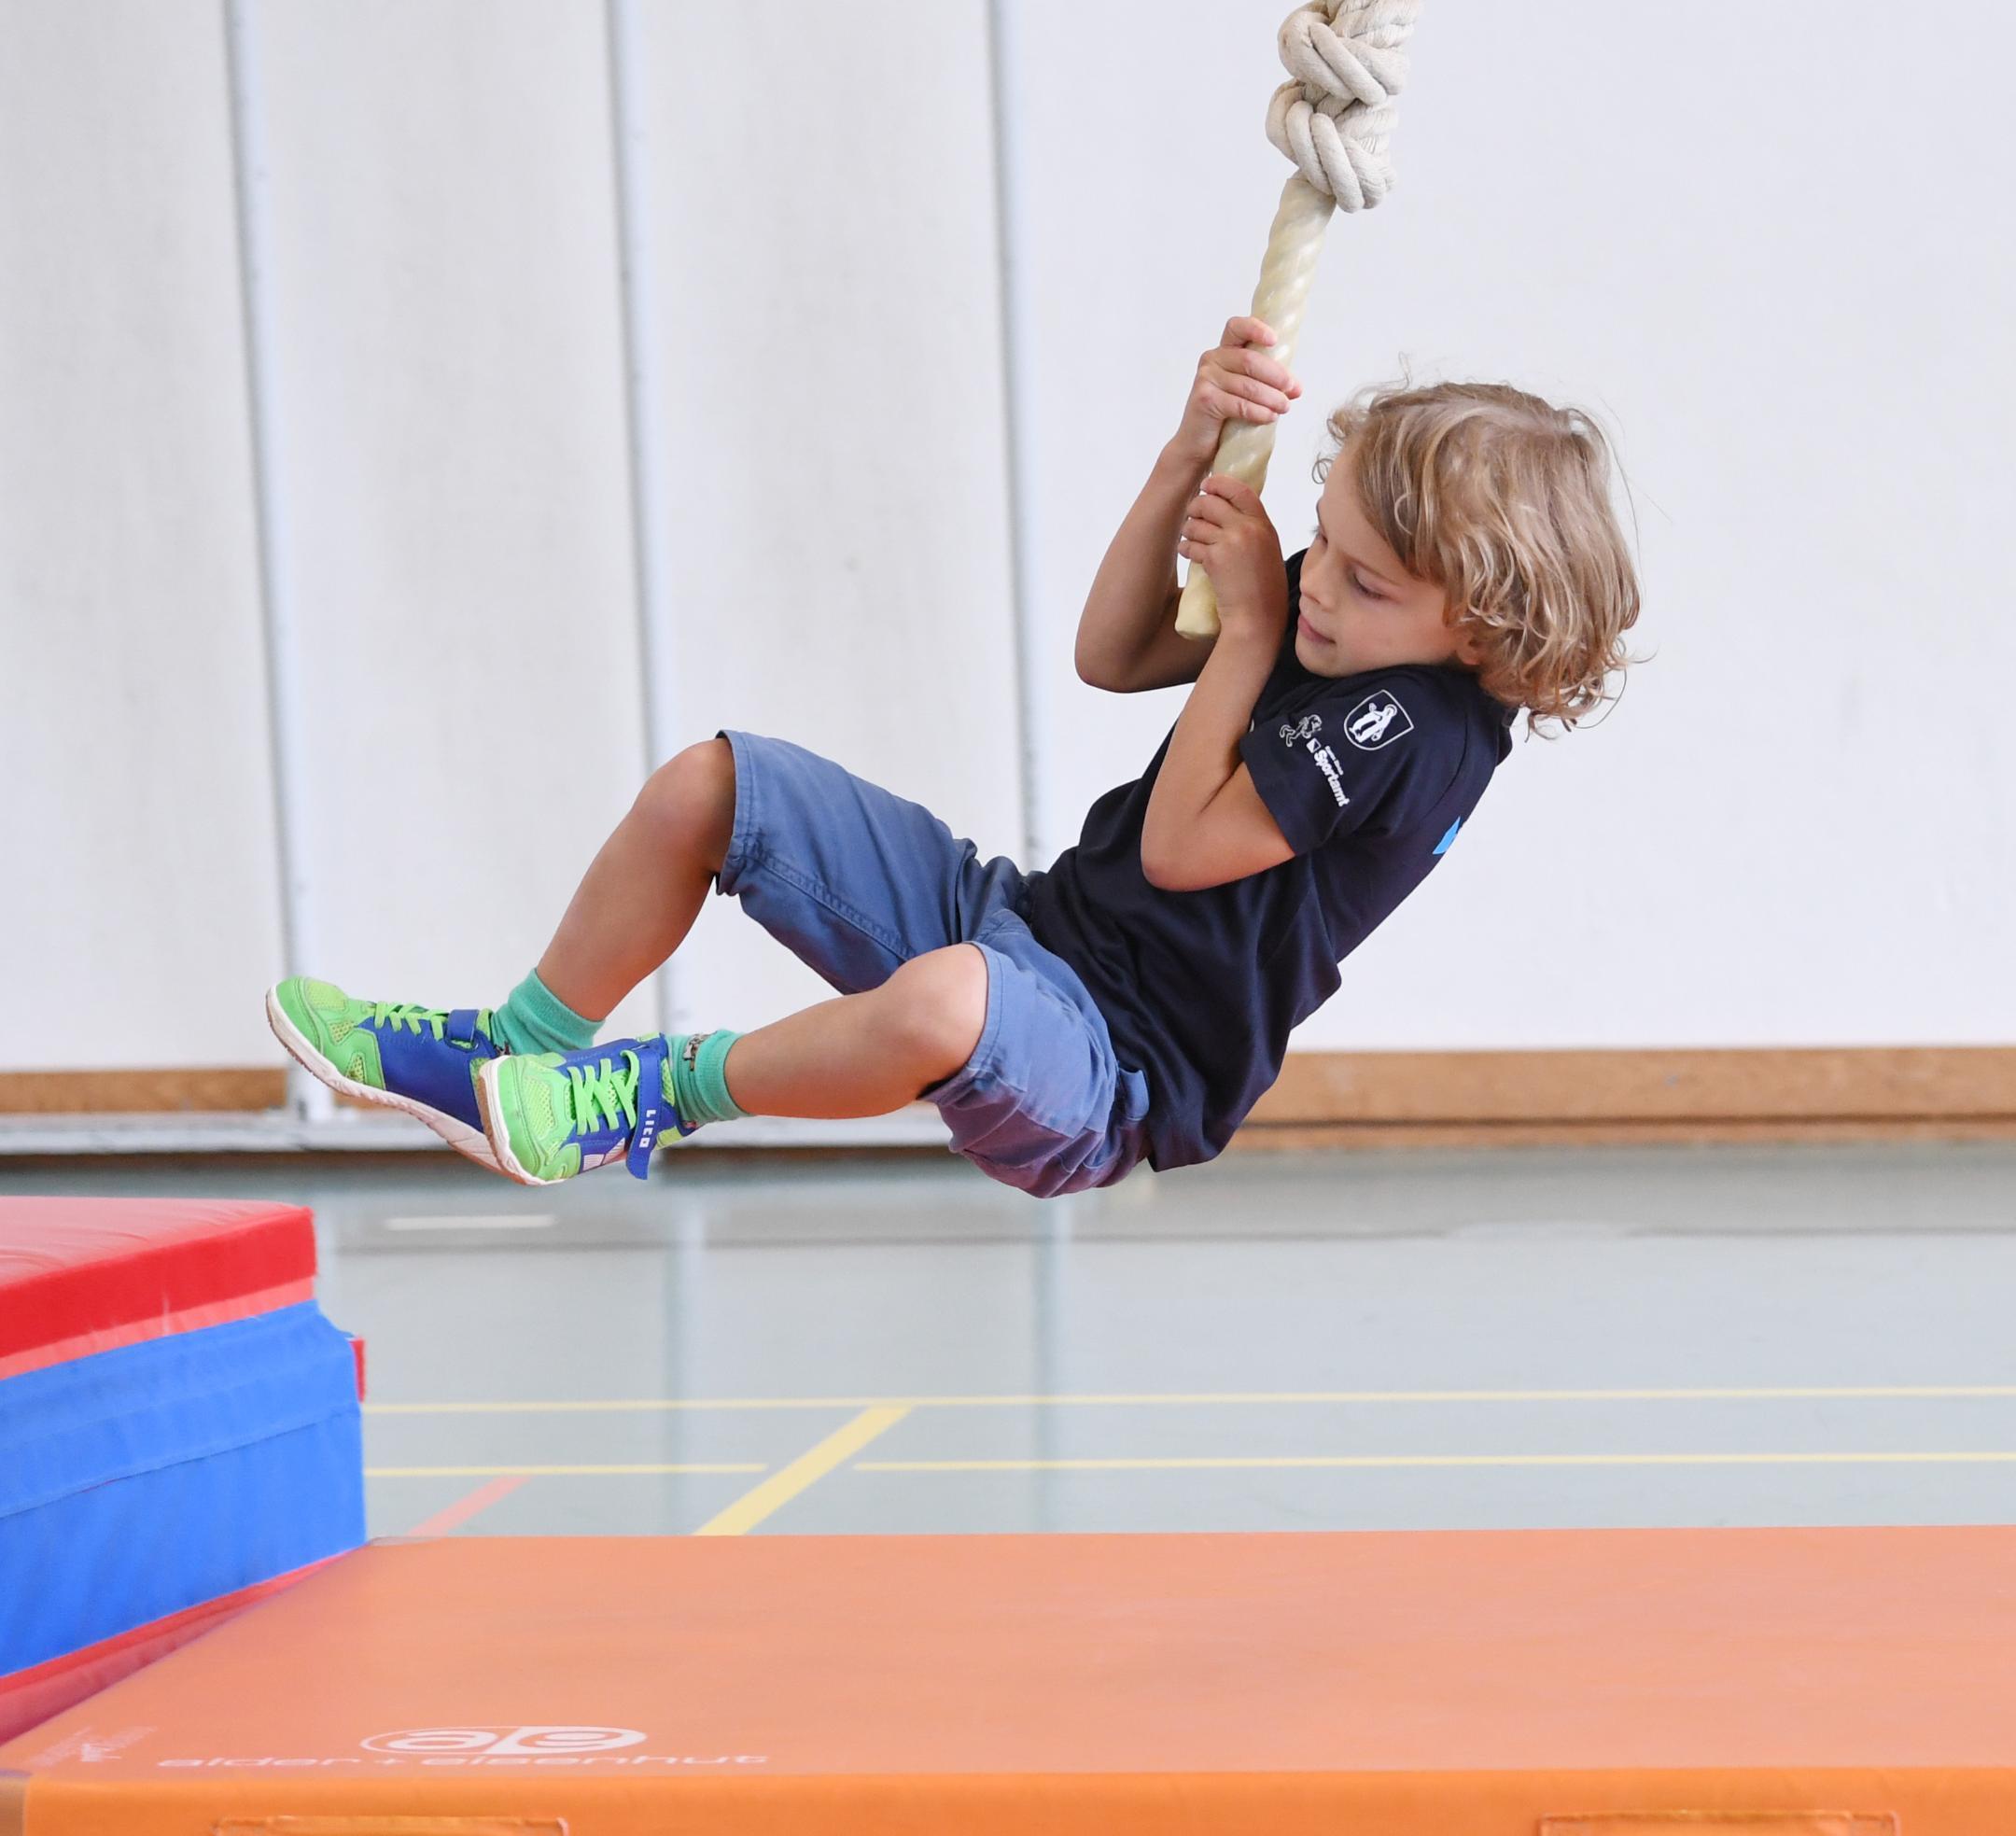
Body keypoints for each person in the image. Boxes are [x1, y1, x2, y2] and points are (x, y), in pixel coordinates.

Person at [266, 316, 1640, 1196]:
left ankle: (633, 1100)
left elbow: (1182, 846)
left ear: (1483, 620)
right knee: (717, 784)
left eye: (1366, 580)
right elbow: (1113, 653)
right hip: (1025, 926)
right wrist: (1184, 462)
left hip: (1112, 1067)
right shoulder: (1347, 618)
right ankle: (519, 1057)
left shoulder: (1418, 729)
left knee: (940, 1005)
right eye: (1321, 546)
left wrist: (1256, 634)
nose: (1322, 586)